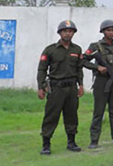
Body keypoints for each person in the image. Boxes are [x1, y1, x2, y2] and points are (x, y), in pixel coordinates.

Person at [36, 20, 85, 155]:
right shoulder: (50, 50)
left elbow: (79, 68)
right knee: (51, 116)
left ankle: (71, 142)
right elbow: (42, 69)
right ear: (60, 33)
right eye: (65, 31)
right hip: (56, 87)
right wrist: (40, 87)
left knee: (72, 115)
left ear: (73, 33)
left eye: (70, 31)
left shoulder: (77, 49)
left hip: (72, 87)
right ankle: (46, 144)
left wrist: (81, 84)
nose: (67, 34)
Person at [83, 19, 113, 149]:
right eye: (108, 30)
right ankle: (94, 140)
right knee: (98, 112)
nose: (111, 32)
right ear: (103, 31)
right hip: (101, 82)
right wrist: (96, 68)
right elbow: (83, 60)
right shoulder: (95, 46)